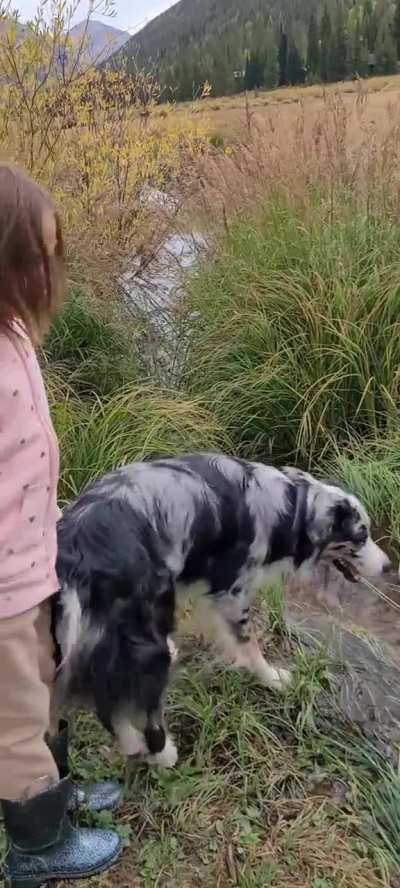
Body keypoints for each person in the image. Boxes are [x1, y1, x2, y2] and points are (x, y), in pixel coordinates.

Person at [0, 164, 122, 888]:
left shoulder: (13, 331)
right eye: (35, 260)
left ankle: (57, 793)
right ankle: (37, 846)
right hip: (2, 585)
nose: (50, 273)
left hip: (32, 558)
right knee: (14, 713)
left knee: (44, 682)